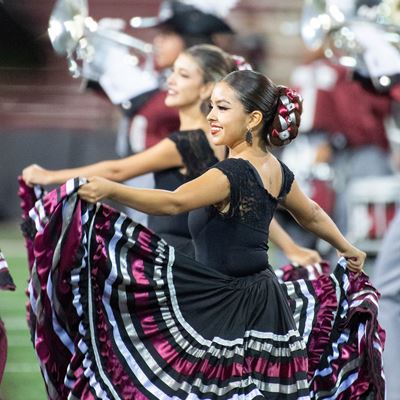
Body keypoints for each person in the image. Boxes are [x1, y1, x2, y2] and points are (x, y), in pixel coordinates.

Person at [20, 69, 385, 399]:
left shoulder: (230, 173)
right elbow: (313, 215)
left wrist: (110, 190)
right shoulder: (275, 169)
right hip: (265, 302)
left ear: (253, 119)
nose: (211, 115)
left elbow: (174, 202)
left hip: (224, 303)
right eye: (211, 106)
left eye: (223, 108)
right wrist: (348, 248)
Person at [23, 44, 321, 265]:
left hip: (176, 260)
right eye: (172, 73)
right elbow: (253, 207)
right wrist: (291, 248)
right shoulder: (219, 141)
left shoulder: (186, 143)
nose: (170, 81)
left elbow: (117, 171)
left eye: (183, 75)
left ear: (206, 88)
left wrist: (50, 176)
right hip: (192, 259)